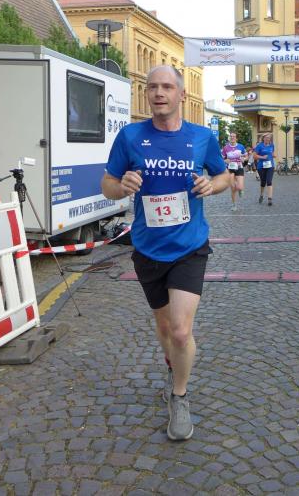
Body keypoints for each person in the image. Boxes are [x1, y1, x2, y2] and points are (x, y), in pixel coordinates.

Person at [100, 66, 231, 441]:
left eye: (167, 87)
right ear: (146, 93)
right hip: (147, 247)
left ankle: (180, 395)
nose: (159, 93)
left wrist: (212, 185)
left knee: (180, 329)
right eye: (152, 87)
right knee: (164, 329)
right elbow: (108, 184)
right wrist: (122, 186)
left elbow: (223, 176)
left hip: (190, 246)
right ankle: (174, 367)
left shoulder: (202, 137)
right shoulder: (130, 136)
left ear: (181, 95)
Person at [222, 133, 247, 211]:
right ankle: (234, 205)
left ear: (236, 138)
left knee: (240, 187)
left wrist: (244, 159)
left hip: (239, 167)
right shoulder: (226, 148)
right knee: (233, 187)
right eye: (231, 136)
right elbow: (221, 158)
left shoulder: (241, 146)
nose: (232, 138)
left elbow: (246, 156)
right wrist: (225, 160)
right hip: (230, 168)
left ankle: (240, 189)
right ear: (229, 138)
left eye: (234, 137)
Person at [253, 133, 276, 206]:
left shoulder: (272, 145)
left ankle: (270, 199)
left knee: (269, 181)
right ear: (263, 138)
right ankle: (261, 195)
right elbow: (254, 156)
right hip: (261, 167)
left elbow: (272, 153)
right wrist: (262, 157)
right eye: (266, 138)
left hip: (270, 166)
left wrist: (273, 156)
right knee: (263, 182)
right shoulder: (259, 146)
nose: (267, 139)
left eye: (269, 138)